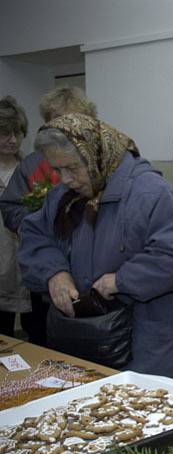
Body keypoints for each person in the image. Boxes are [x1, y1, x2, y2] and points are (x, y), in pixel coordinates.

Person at [18, 114, 173, 381]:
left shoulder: (149, 192)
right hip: (86, 336)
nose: (65, 179)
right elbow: (35, 234)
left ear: (96, 155)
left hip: (150, 342)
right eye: (57, 170)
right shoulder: (64, 196)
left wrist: (122, 280)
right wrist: (54, 273)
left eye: (72, 168)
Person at [0, 87, 98, 346]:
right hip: (47, 269)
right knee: (42, 332)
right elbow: (11, 208)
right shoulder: (31, 164)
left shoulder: (101, 159)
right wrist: (37, 224)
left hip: (91, 269)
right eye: (56, 121)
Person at [0, 96, 30, 337]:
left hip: (27, 261)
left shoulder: (31, 169)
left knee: (36, 331)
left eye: (17, 133)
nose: (12, 140)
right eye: (5, 133)